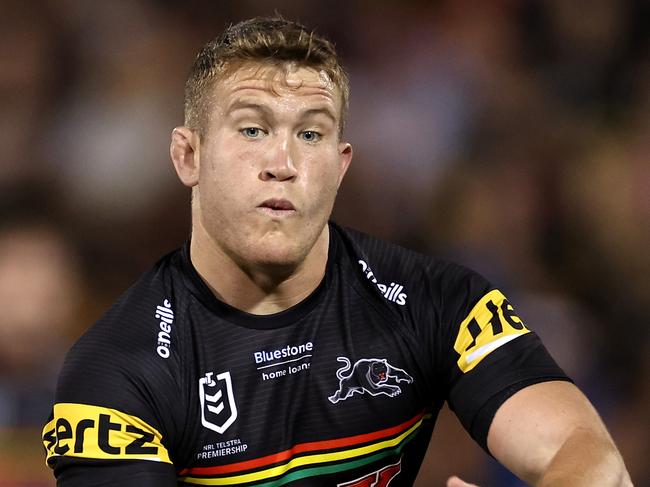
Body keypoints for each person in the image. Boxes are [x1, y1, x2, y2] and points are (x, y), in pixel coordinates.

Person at [42, 16, 632, 487]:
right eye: (252, 129)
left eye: (311, 133)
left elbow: (594, 461)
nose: (284, 164)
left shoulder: (441, 302)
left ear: (341, 164)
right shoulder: (117, 371)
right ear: (187, 156)